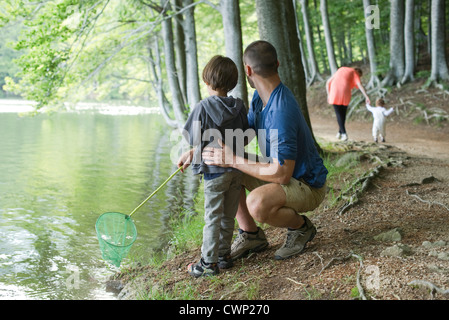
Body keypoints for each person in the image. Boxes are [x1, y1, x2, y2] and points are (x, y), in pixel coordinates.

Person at [200, 40, 328, 261]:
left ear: (248, 70)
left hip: (307, 185)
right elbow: (243, 135)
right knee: (227, 167)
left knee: (256, 203)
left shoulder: (281, 110)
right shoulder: (260, 97)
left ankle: (301, 228)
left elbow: (282, 173)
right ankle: (251, 235)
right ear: (276, 64)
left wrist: (233, 160)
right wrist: (199, 151)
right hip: (283, 175)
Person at [177, 55, 249, 278]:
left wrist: (194, 149)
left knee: (212, 217)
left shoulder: (204, 106)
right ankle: (223, 256)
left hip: (214, 173)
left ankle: (208, 263)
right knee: (228, 215)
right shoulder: (239, 107)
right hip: (235, 170)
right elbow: (245, 138)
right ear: (232, 82)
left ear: (208, 81)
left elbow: (191, 136)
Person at [326, 67, 371, 141]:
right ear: (358, 72)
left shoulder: (341, 69)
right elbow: (359, 84)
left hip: (334, 91)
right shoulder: (354, 72)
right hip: (345, 91)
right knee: (342, 114)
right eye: (359, 76)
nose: (358, 78)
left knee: (339, 114)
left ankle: (340, 132)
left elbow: (328, 82)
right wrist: (366, 96)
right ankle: (344, 134)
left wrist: (328, 95)